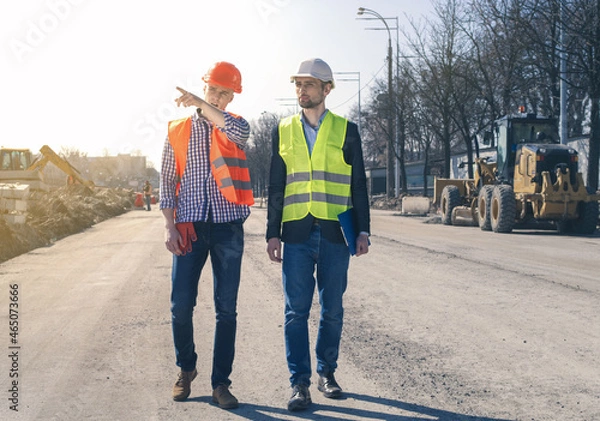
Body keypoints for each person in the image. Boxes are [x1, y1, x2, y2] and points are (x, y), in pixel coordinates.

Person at [266, 58, 371, 412]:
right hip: (295, 233)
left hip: (335, 233)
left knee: (333, 309)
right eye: (298, 84)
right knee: (295, 312)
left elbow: (358, 184)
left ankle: (327, 373)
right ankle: (299, 384)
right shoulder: (282, 130)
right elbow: (276, 185)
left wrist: (363, 231)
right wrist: (272, 233)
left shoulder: (347, 130)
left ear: (327, 90)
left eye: (309, 84)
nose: (302, 90)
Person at [159, 61, 253, 410]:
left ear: (230, 98)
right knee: (180, 305)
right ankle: (186, 368)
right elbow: (167, 181)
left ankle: (220, 384)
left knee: (226, 310)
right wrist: (169, 225)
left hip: (228, 227)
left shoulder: (235, 126)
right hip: (189, 227)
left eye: (223, 93)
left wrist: (201, 103)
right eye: (213, 89)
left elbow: (237, 133)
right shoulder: (178, 130)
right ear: (207, 87)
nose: (217, 96)